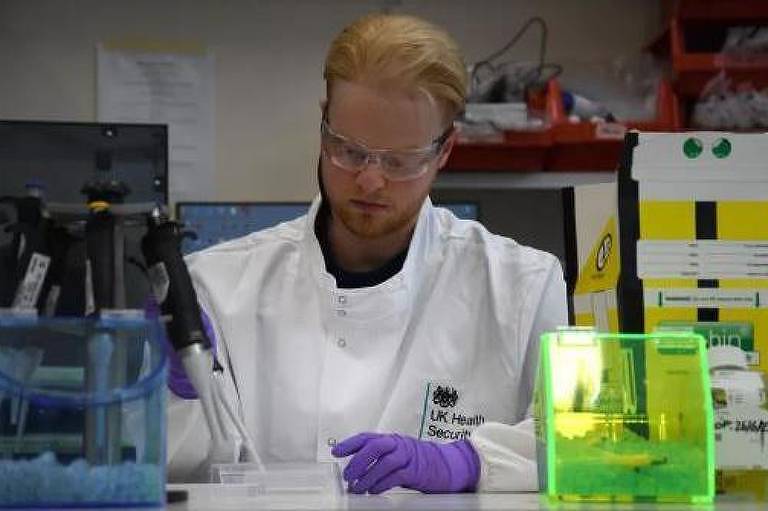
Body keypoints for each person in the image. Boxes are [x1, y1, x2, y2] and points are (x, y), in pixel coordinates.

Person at [167, 12, 567, 493]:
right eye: (350, 151)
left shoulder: (522, 287)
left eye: (401, 161)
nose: (371, 180)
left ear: (445, 152)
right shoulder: (216, 287)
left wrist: (473, 462)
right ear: (323, 126)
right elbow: (177, 472)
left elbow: (581, 442)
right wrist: (174, 394)